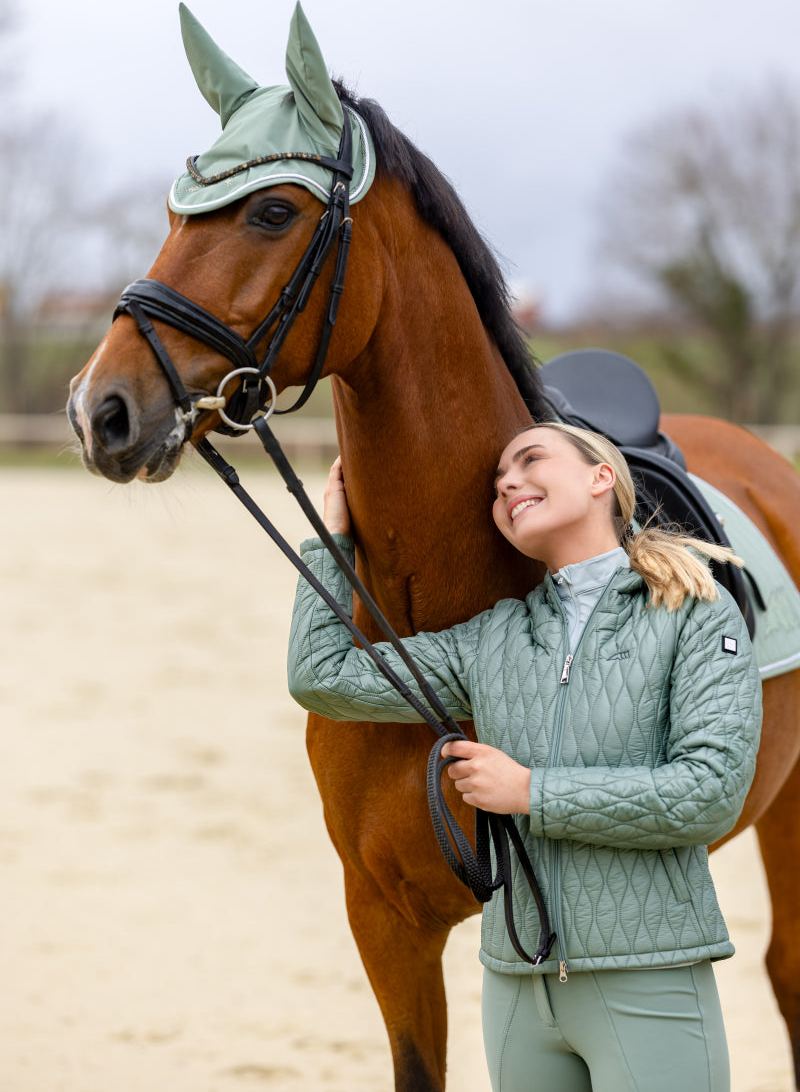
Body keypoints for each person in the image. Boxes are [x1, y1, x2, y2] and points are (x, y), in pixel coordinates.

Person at [287, 422, 762, 1092]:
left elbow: (709, 793)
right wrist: (331, 539)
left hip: (650, 978)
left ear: (603, 478)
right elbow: (323, 678)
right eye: (498, 479)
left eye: (530, 459)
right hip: (516, 993)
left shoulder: (695, 617)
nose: (507, 480)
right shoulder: (491, 639)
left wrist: (530, 792)